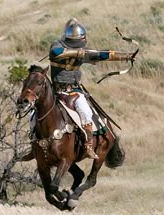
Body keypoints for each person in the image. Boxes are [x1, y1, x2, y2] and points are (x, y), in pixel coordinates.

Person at [49, 18, 134, 160]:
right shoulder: (57, 45)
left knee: (86, 113)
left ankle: (88, 146)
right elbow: (56, 52)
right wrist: (78, 53)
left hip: (74, 92)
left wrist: (126, 56)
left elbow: (102, 55)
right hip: (55, 91)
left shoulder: (83, 51)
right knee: (34, 112)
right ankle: (33, 142)